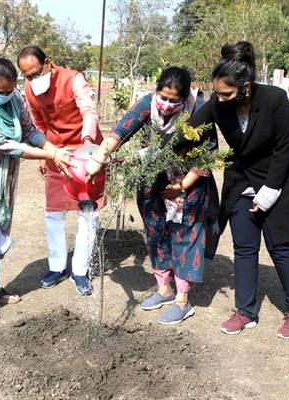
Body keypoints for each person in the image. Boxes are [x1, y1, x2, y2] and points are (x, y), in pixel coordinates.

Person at [191, 42, 289, 339]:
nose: (220, 99)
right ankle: (245, 311)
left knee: (281, 247)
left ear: (245, 86)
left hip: (277, 181)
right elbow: (189, 131)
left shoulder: (275, 99)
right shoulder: (220, 104)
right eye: (217, 93)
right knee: (244, 249)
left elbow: (284, 149)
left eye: (227, 93)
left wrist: (270, 191)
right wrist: (155, 155)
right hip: (241, 182)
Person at [86, 66, 219, 325]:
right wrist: (99, 157)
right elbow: (121, 131)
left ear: (185, 97)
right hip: (152, 180)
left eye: (174, 100)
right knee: (156, 232)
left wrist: (183, 186)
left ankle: (183, 299)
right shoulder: (149, 105)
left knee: (184, 237)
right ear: (156, 91)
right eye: (163, 97)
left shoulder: (199, 111)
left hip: (187, 185)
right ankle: (164, 289)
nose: (167, 104)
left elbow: (208, 153)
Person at [0, 57, 72, 320]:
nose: (6, 96)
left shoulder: (15, 97)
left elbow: (30, 131)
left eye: (10, 90)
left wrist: (55, 150)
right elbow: (9, 145)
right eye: (0, 92)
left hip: (2, 179)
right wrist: (50, 157)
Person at [17, 46, 103, 295]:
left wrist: (88, 144)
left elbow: (89, 112)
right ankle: (57, 266)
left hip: (85, 151)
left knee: (87, 212)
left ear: (48, 63)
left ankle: (80, 270)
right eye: (27, 76)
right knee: (54, 213)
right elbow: (38, 122)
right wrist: (45, 154)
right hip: (56, 152)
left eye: (36, 72)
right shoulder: (29, 89)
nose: (33, 79)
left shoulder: (73, 78)